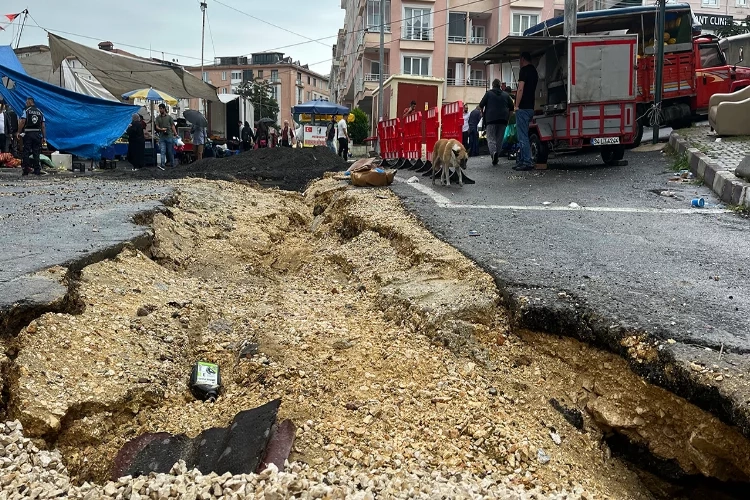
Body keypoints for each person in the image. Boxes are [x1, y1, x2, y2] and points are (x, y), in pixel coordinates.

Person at [479, 79, 515, 165]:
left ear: (492, 85)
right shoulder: (506, 95)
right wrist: (508, 118)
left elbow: (480, 106)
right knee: (499, 139)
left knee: (491, 138)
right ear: (500, 86)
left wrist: (483, 114)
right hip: (503, 120)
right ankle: (497, 155)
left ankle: (493, 153)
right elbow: (512, 109)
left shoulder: (488, 93)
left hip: (490, 119)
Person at [514, 52, 539, 171]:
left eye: (519, 60)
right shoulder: (534, 71)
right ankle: (523, 160)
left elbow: (520, 89)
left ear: (523, 59)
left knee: (522, 136)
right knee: (525, 135)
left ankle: (526, 161)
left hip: (523, 107)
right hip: (531, 107)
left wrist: (516, 105)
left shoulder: (523, 71)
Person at [17, 97, 45, 176]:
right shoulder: (40, 112)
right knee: (36, 152)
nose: (26, 104)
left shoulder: (26, 110)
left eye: (26, 102)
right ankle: (37, 170)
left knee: (26, 151)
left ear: (29, 102)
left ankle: (26, 169)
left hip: (28, 134)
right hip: (37, 134)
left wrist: (18, 132)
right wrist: (44, 137)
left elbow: (22, 122)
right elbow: (43, 125)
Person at [155, 103, 177, 170]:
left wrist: (175, 134)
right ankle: (162, 165)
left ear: (164, 109)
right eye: (159, 109)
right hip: (162, 136)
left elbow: (173, 126)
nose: (160, 110)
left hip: (169, 136)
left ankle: (172, 164)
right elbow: (157, 126)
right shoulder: (158, 118)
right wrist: (161, 129)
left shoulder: (169, 117)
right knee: (162, 151)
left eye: (161, 108)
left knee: (170, 151)